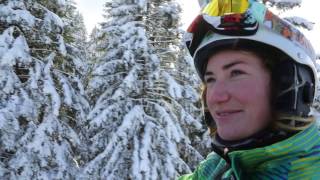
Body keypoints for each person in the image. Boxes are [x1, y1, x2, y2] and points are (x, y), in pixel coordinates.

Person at [179, 0, 320, 179]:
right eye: (211, 79)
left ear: (289, 86)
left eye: (236, 73)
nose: (216, 97)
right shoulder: (223, 165)